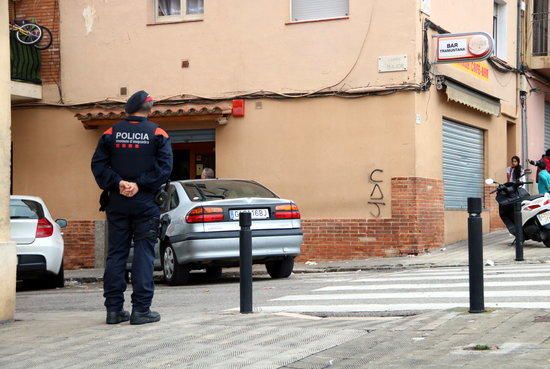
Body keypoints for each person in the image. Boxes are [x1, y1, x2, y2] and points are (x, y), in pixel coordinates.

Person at [91, 90, 173, 325]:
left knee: (116, 254)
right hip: (146, 203)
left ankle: (114, 310)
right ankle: (141, 310)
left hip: (117, 202)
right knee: (144, 254)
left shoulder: (110, 133)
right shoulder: (158, 133)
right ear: (150, 109)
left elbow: (98, 165)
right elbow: (164, 168)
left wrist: (118, 183)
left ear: (127, 110)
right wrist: (140, 185)